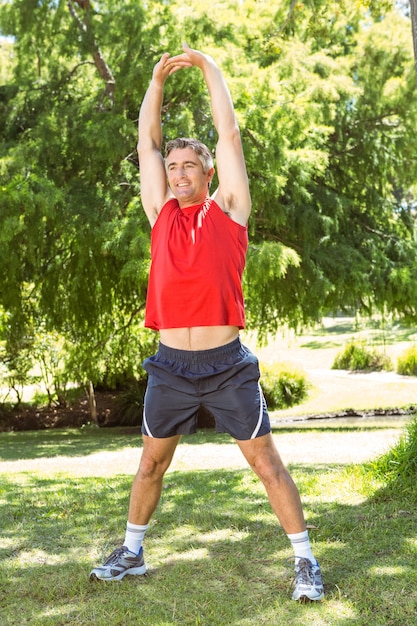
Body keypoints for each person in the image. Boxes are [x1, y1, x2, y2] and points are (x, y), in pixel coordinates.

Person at [90, 43, 324, 602]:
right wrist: (155, 84)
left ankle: (305, 562)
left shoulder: (230, 208)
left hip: (226, 366)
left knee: (265, 461)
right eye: (172, 167)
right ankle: (133, 551)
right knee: (151, 463)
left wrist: (209, 70)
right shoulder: (160, 214)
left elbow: (230, 134)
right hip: (170, 365)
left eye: (188, 165)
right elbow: (145, 143)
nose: (176, 173)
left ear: (209, 171)